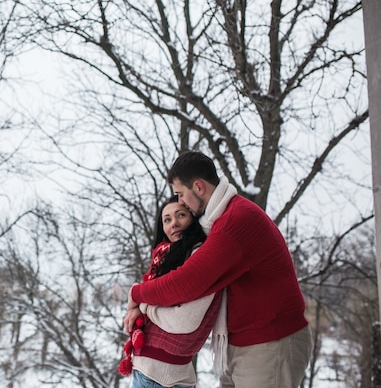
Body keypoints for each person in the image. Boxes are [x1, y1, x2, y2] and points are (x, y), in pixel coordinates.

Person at [126, 151, 312, 388]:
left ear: (199, 187)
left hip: (269, 344)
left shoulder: (235, 222)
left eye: (181, 194)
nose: (180, 201)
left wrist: (137, 294)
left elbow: (186, 282)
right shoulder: (219, 220)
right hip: (242, 345)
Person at [120, 195, 223, 388]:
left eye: (181, 215)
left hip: (162, 377)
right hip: (149, 371)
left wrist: (143, 306)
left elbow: (183, 320)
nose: (174, 223)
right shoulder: (164, 257)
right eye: (167, 220)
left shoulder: (200, 256)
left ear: (193, 218)